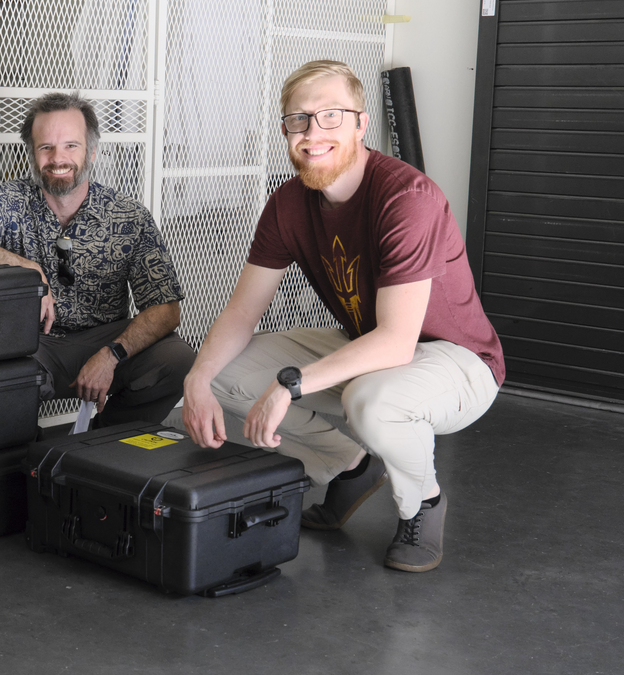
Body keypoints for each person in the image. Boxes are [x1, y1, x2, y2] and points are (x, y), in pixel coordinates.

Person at [182, 60, 504, 573]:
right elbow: (244, 310)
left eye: (331, 116)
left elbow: (398, 342)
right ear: (285, 130)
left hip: (458, 360)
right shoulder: (288, 203)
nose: (313, 133)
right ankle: (349, 466)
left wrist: (289, 385)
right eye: (299, 119)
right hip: (368, 342)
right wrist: (196, 379)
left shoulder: (406, 198)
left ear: (360, 124)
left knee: (371, 403)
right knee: (221, 371)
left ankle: (423, 503)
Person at [0, 92, 196, 427]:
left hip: (106, 339)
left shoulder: (128, 216)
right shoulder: (10, 199)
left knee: (177, 359)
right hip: (33, 344)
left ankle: (105, 444)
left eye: (71, 145)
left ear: (92, 150)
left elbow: (166, 310)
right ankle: (26, 458)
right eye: (46, 147)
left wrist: (112, 354)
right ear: (32, 153)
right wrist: (25, 267)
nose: (58, 158)